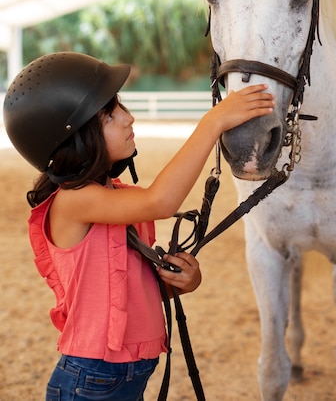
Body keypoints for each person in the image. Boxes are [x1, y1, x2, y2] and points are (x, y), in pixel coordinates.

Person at [3, 51, 274, 401]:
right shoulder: (73, 201)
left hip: (120, 375)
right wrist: (212, 124)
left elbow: (125, 291)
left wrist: (181, 283)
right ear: (74, 138)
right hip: (91, 376)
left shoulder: (116, 198)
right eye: (110, 114)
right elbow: (160, 202)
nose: (129, 119)